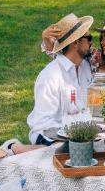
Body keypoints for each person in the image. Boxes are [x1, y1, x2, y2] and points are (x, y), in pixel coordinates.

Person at [7, 13, 94, 155]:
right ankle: (15, 148)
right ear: (75, 42)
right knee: (67, 151)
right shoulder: (51, 76)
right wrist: (73, 135)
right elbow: (43, 123)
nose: (91, 43)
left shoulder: (85, 67)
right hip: (50, 134)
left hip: (78, 132)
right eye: (89, 38)